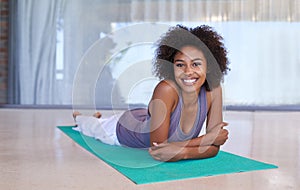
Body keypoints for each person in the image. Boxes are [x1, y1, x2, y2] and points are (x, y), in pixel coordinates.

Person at [73, 25, 230, 162]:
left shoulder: (214, 90)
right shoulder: (166, 89)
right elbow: (159, 149)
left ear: (209, 66)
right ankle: (80, 117)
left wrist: (184, 150)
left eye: (196, 64)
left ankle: (97, 119)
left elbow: (215, 146)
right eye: (180, 64)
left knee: (108, 121)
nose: (188, 72)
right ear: (171, 66)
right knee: (89, 127)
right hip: (122, 128)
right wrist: (205, 140)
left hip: (146, 117)